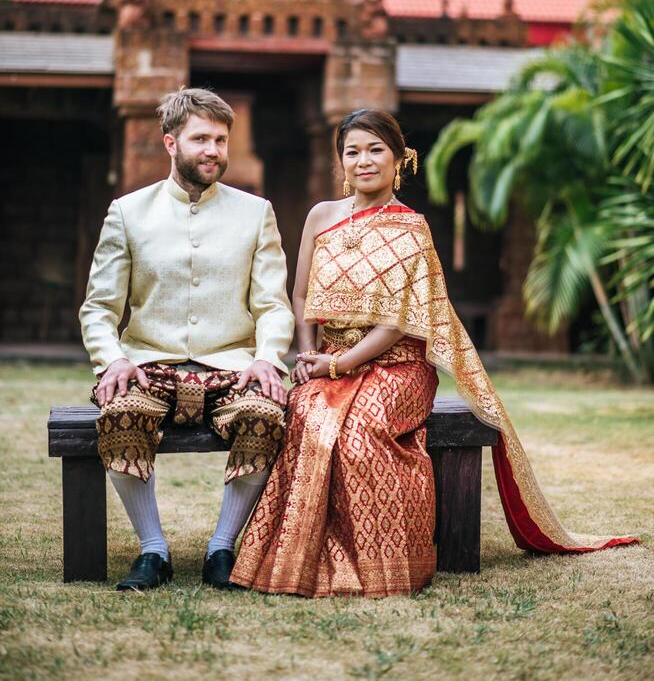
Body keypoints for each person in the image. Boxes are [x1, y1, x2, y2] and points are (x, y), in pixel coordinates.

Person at [231, 109, 638, 598]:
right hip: (327, 359)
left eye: (375, 149)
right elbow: (299, 295)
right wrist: (307, 355)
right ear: (340, 160)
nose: (363, 161)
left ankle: (381, 564)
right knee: (307, 417)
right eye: (352, 151)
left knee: (360, 433)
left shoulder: (412, 229)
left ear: (400, 159)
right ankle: (300, 556)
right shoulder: (321, 217)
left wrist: (338, 364)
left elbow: (396, 323)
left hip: (397, 366)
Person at [79, 87, 294, 591]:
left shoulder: (255, 212)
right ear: (170, 143)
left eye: (221, 139)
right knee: (117, 412)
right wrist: (111, 360)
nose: (213, 150)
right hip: (147, 362)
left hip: (232, 363)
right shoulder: (128, 212)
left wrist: (267, 359)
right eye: (201, 139)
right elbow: (99, 307)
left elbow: (272, 304)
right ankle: (153, 551)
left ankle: (223, 547)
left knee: (266, 414)